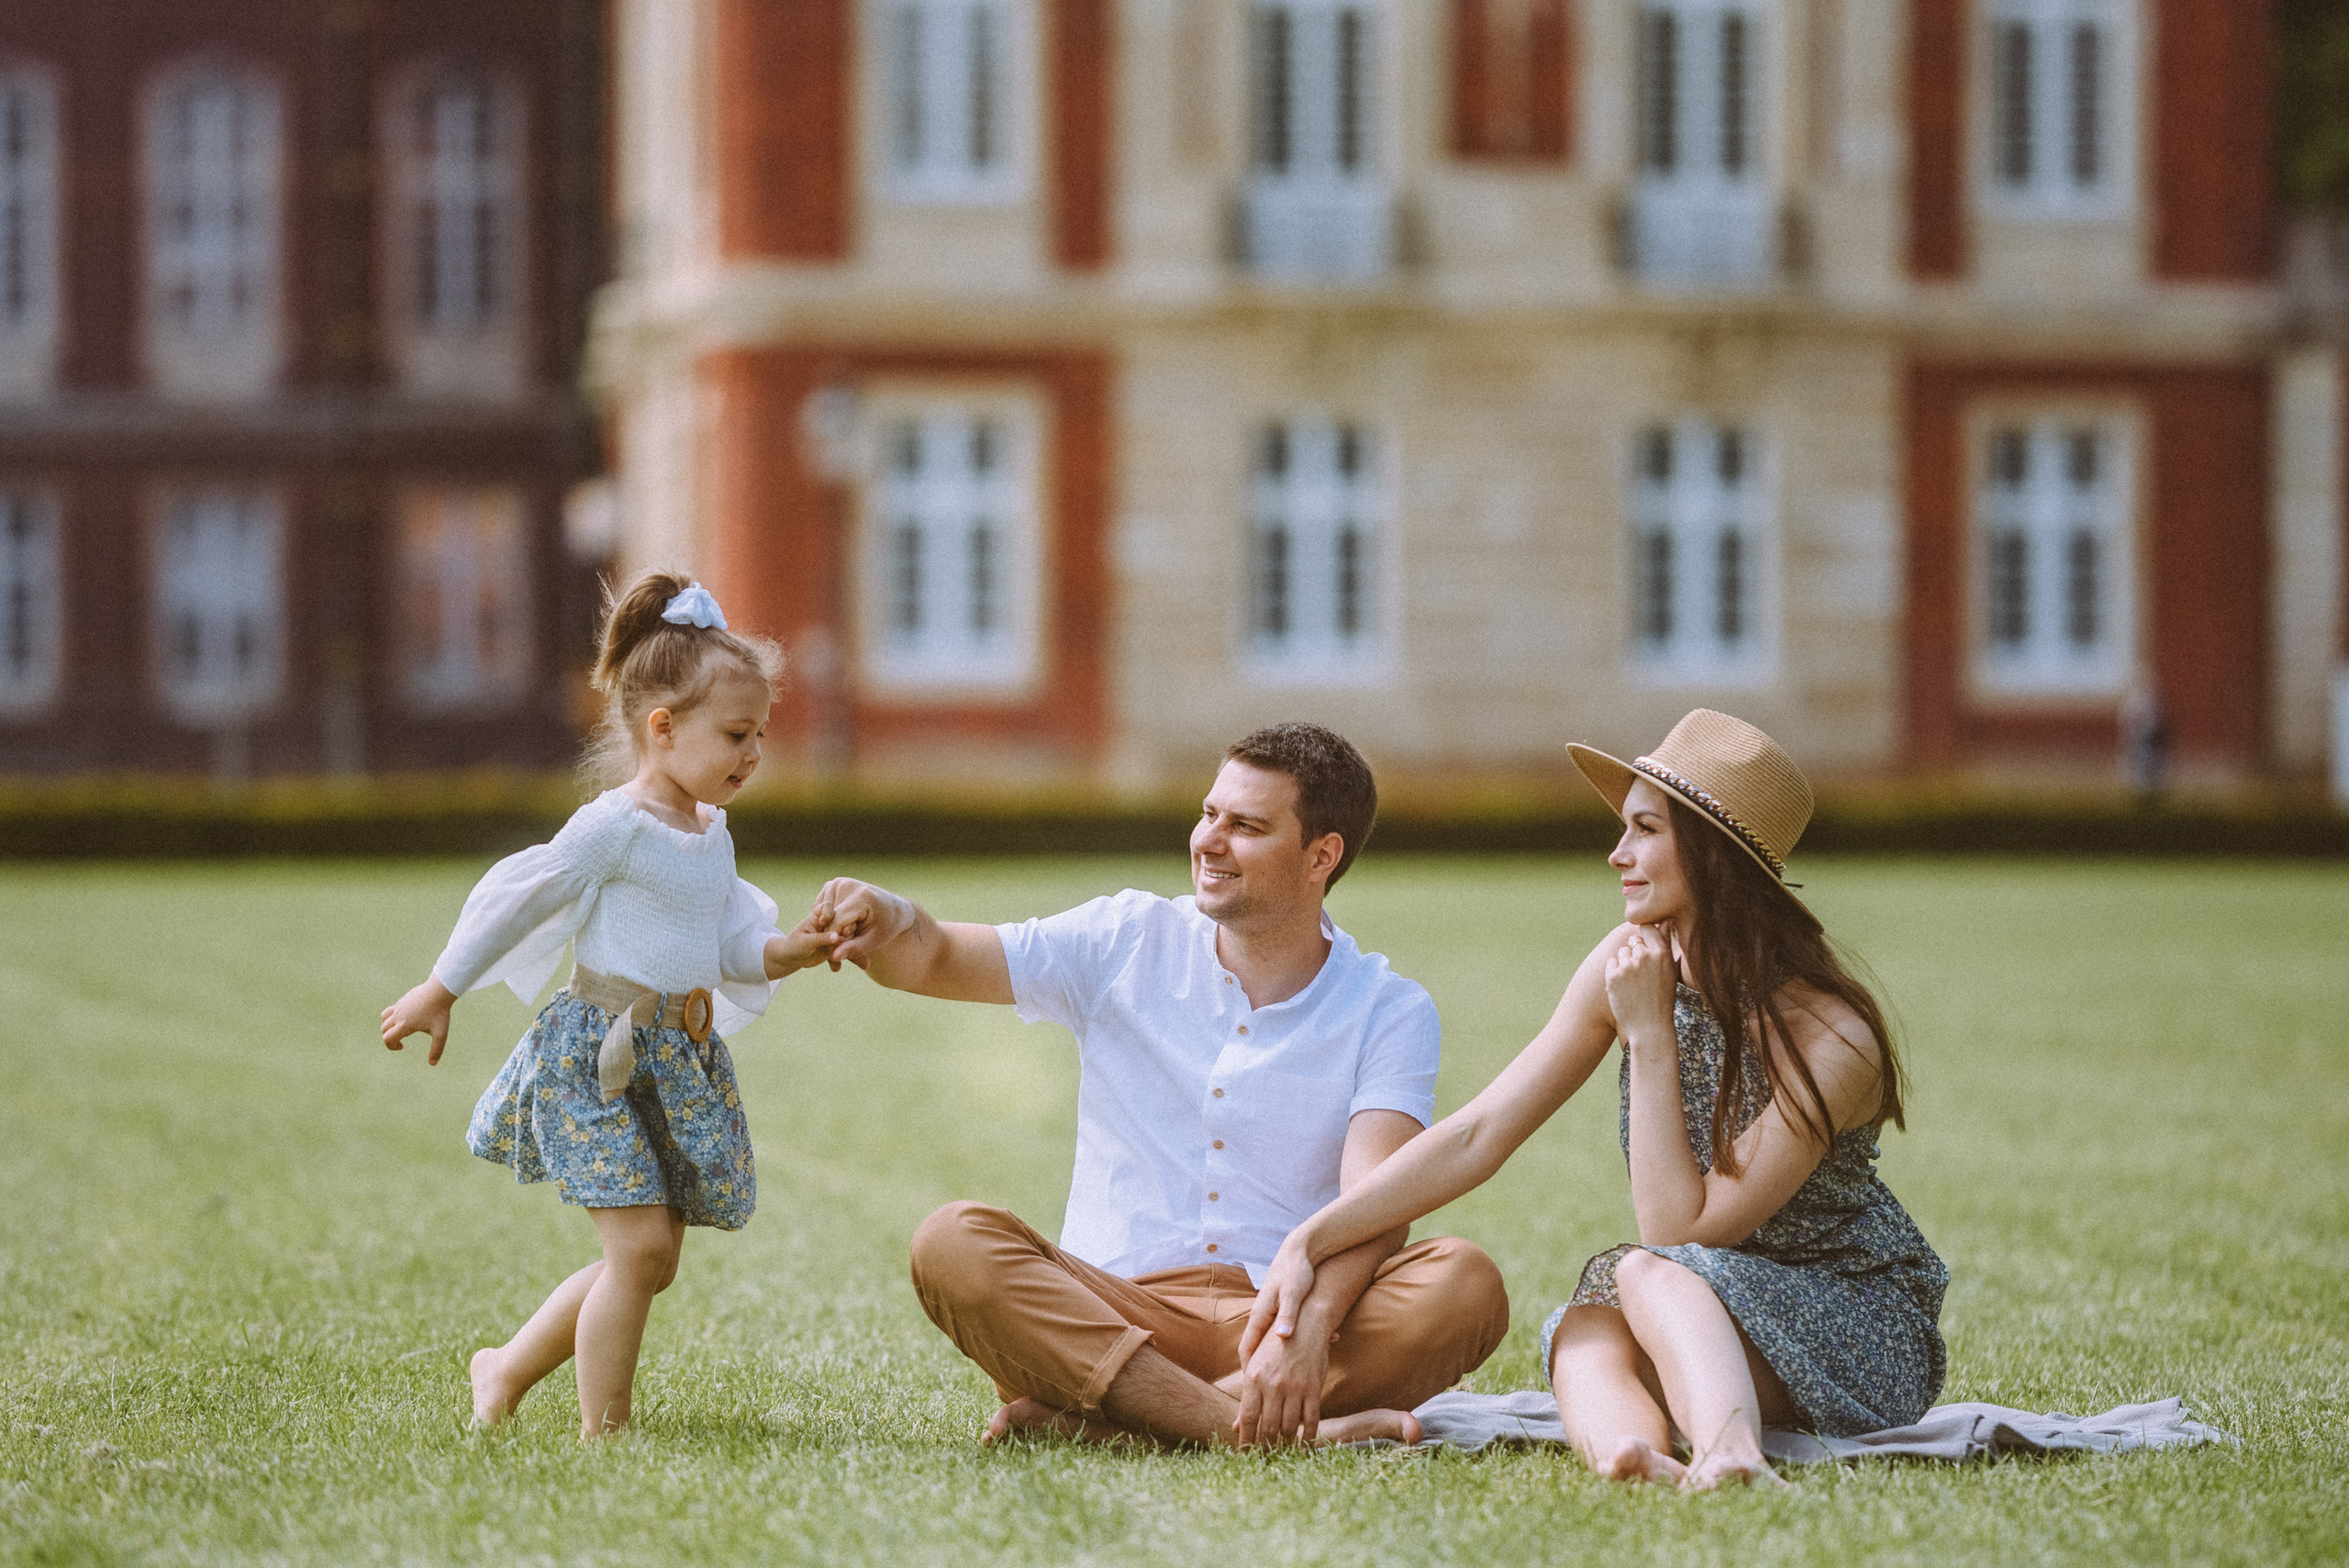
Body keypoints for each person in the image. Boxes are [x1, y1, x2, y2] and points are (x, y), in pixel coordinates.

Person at [1242, 710, 1947, 1487]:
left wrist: (1649, 1035)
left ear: (1712, 855)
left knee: (1641, 1272)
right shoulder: (1631, 958)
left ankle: (1732, 1455)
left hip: (1853, 1320)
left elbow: (1676, 1231)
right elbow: (1482, 1132)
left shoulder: (1835, 1039)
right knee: (1583, 1329)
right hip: (1704, 1309)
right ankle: (1634, 1461)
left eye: (1645, 829)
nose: (1618, 853)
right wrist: (1312, 1237)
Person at [812, 723, 1509, 1448]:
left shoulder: (1388, 1008)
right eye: (1209, 814)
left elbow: (1378, 1205)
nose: (1208, 840)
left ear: (1321, 855)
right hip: (1109, 1316)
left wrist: (1308, 1326)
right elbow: (935, 955)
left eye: (1245, 826)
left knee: (1464, 1282)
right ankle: (1239, 1429)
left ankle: (1131, 1424)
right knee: (953, 1242)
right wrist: (893, 917)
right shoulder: (1126, 936)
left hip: (1280, 1318)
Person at [378, 572, 840, 1439]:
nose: (752, 754)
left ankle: (504, 1367)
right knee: (641, 1250)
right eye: (734, 734)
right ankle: (606, 1432)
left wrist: (795, 950)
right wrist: (441, 988)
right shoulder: (613, 827)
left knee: (650, 1260)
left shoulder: (711, 833)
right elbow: (520, 900)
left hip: (674, 1060)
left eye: (759, 735)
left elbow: (729, 946)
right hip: (597, 1059)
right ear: (661, 729)